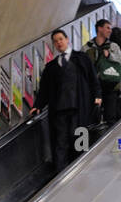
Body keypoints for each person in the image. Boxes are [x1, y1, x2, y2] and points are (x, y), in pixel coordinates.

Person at [31, 28, 101, 172]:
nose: (58, 43)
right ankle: (60, 175)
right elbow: (44, 89)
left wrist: (97, 96)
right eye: (55, 41)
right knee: (60, 142)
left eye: (60, 39)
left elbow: (93, 79)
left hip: (79, 108)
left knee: (80, 139)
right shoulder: (50, 67)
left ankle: (82, 169)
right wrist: (37, 105)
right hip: (59, 112)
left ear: (67, 40)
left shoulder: (81, 58)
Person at [86, 19, 121, 125]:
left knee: (110, 117)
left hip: (111, 86)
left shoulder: (113, 46)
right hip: (93, 88)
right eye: (107, 27)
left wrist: (110, 56)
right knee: (93, 118)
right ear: (99, 28)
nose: (110, 31)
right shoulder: (87, 47)